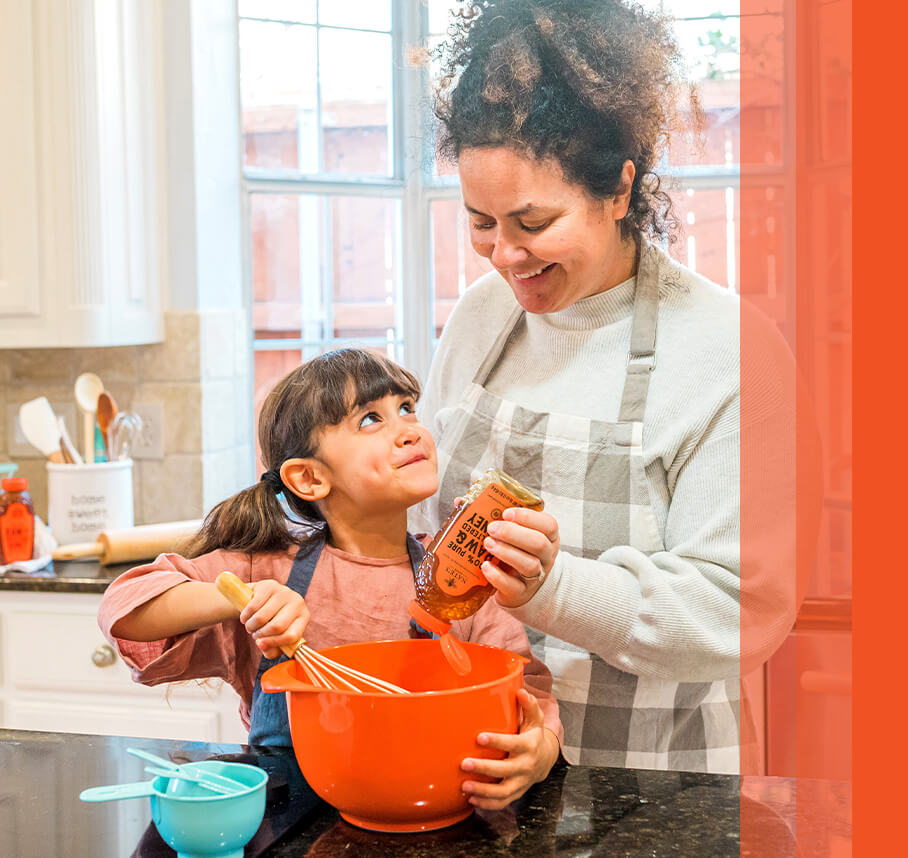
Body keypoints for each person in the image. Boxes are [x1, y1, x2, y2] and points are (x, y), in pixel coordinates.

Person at [412, 0, 796, 773]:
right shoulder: (484, 317)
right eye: (480, 221)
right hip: (479, 773)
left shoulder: (726, 348)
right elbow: (421, 533)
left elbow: (738, 609)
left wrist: (551, 588)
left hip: (654, 787)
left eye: (531, 220)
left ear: (619, 190)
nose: (503, 255)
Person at [98, 348, 563, 809]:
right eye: (370, 419)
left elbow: (526, 694)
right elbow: (126, 609)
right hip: (290, 820)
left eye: (406, 408)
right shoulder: (267, 569)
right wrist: (240, 599)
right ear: (309, 478)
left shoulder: (456, 579)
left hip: (434, 810)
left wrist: (539, 751)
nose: (409, 430)